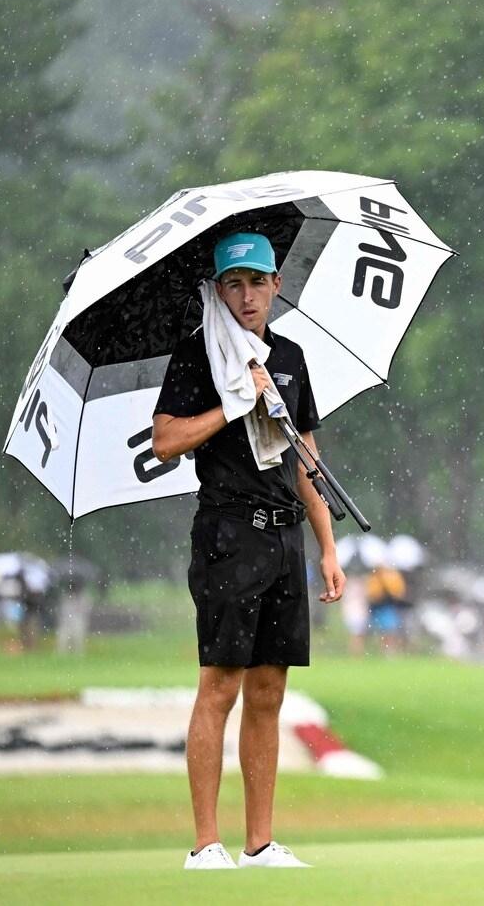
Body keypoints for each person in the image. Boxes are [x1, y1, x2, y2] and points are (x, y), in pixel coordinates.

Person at [152, 231, 345, 870]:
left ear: (276, 286)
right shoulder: (196, 357)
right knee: (221, 685)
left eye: (257, 282)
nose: (246, 296)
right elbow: (165, 441)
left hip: (286, 533)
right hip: (228, 533)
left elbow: (306, 460)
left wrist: (327, 546)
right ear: (218, 290)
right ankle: (205, 843)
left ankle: (259, 843)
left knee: (269, 690)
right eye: (233, 284)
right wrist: (232, 407)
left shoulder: (289, 357)